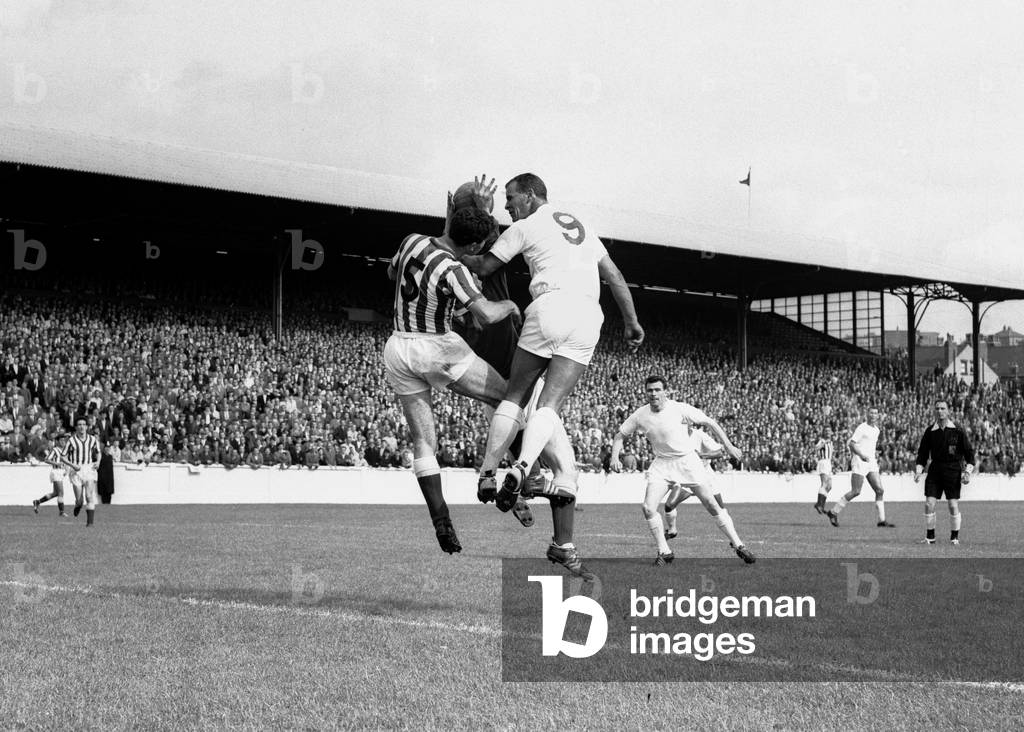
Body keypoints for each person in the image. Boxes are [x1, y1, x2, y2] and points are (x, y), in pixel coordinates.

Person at [462, 173, 645, 577]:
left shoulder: (521, 232)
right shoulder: (580, 226)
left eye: (511, 198)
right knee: (554, 423)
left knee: (520, 402)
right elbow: (614, 277)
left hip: (543, 317)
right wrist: (631, 322)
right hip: (586, 315)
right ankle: (526, 478)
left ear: (530, 195)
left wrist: (445, 249)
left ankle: (497, 473)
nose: (508, 206)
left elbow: (483, 260)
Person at [384, 206, 521, 554]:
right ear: (474, 246)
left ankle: (442, 521)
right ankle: (510, 475)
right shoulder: (454, 268)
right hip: (436, 348)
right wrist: (509, 305)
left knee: (423, 442)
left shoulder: (411, 240)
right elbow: (487, 316)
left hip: (398, 347)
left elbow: (390, 272)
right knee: (507, 397)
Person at [609, 375, 756, 566]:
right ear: (645, 392)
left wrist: (728, 446)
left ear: (665, 391)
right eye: (650, 390)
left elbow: (710, 423)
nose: (653, 394)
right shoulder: (640, 415)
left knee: (712, 504)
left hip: (688, 462)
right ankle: (665, 551)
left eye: (657, 390)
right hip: (662, 464)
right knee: (648, 507)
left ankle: (738, 545)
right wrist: (614, 457)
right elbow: (620, 435)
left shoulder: (679, 408)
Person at [913, 399, 975, 545]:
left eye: (942, 408)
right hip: (935, 470)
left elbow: (969, 453)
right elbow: (922, 453)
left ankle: (954, 538)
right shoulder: (930, 431)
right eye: (937, 409)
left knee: (953, 505)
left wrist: (967, 472)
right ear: (934, 411)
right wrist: (919, 470)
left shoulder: (958, 430)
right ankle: (930, 537)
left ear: (948, 411)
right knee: (929, 503)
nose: (940, 411)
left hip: (953, 470)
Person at [826, 407, 895, 528]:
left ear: (878, 415)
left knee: (880, 490)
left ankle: (881, 520)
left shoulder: (877, 430)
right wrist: (861, 455)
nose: (873, 415)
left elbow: (869, 445)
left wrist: (873, 455)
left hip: (871, 462)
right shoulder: (862, 428)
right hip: (859, 461)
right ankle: (833, 512)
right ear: (867, 414)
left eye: (875, 413)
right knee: (856, 491)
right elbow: (851, 444)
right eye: (871, 413)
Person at [660, 423, 728, 540]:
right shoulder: (675, 438)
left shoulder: (700, 435)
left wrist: (701, 455)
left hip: (705, 477)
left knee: (719, 510)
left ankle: (733, 540)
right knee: (669, 505)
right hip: (686, 477)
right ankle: (672, 530)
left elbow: (719, 452)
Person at [62, 417, 102, 527]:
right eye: (79, 424)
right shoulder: (71, 440)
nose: (82, 426)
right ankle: (78, 504)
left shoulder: (93, 439)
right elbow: (63, 457)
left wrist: (98, 461)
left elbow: (98, 452)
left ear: (87, 427)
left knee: (89, 496)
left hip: (89, 469)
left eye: (84, 424)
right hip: (76, 470)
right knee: (79, 500)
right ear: (76, 427)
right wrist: (72, 465)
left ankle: (90, 523)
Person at [32, 433, 69, 517]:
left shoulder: (64, 450)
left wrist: (66, 469)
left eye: (64, 440)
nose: (63, 442)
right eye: (61, 440)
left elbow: (65, 461)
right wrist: (57, 463)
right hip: (56, 472)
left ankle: (37, 502)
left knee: (56, 493)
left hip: (61, 472)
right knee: (61, 492)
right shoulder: (55, 450)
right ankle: (61, 512)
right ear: (57, 441)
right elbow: (46, 459)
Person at [812, 428, 835, 515]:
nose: (828, 432)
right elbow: (816, 448)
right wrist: (823, 443)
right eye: (826, 431)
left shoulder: (831, 442)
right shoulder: (822, 440)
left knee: (829, 486)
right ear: (823, 433)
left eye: (829, 431)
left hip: (828, 463)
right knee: (824, 484)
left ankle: (820, 504)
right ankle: (820, 505)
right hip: (823, 462)